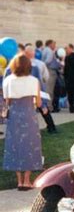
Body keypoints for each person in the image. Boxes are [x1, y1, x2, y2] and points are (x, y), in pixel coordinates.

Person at [2, 54, 43, 190]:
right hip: (29, 115)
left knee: (15, 145)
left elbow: (6, 100)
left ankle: (19, 181)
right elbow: (38, 102)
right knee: (30, 145)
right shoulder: (33, 80)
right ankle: (27, 180)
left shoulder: (8, 80)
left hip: (14, 115)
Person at [24, 46, 57, 133]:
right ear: (33, 53)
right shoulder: (40, 64)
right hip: (38, 88)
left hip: (26, 91)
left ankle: (29, 129)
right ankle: (51, 127)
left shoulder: (20, 64)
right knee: (43, 108)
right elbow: (46, 77)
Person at [41, 40, 60, 109]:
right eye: (54, 44)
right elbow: (48, 61)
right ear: (50, 44)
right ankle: (48, 106)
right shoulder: (49, 51)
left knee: (47, 89)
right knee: (49, 90)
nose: (55, 46)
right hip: (50, 71)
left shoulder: (44, 50)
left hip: (47, 71)